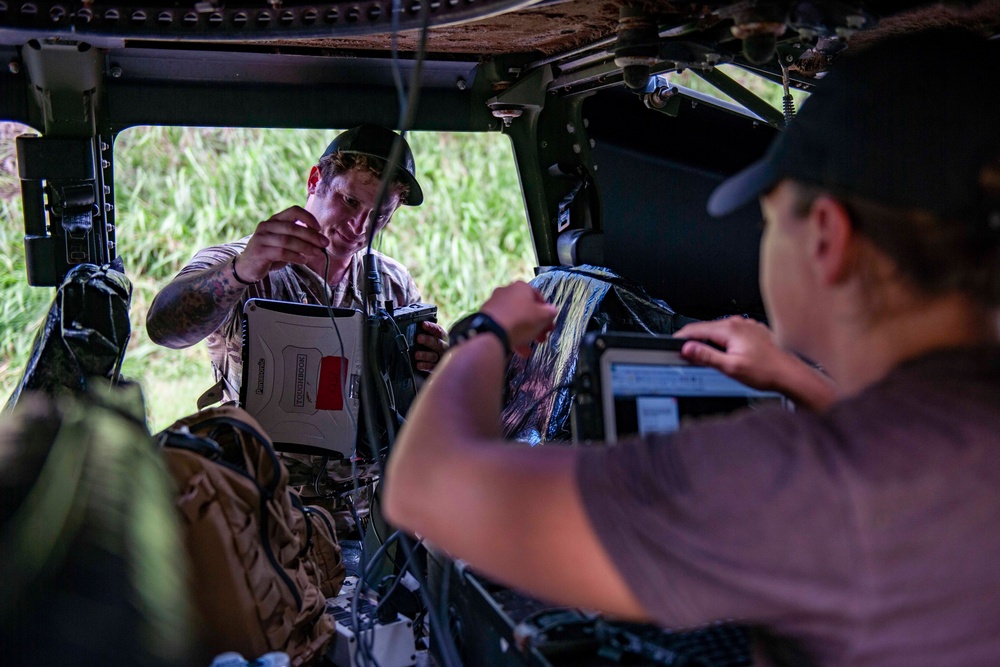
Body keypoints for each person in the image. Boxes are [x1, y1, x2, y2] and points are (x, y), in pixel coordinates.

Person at [384, 29, 1000, 666]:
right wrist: (791, 375)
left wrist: (487, 333)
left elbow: (426, 487)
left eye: (768, 220)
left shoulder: (797, 485)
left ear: (827, 238)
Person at [147, 124, 447, 403]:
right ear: (315, 181)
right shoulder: (240, 261)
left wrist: (433, 366)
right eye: (349, 201)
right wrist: (240, 272)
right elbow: (163, 329)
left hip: (367, 459)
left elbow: (412, 396)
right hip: (259, 457)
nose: (359, 227)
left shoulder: (391, 280)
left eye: (378, 216)